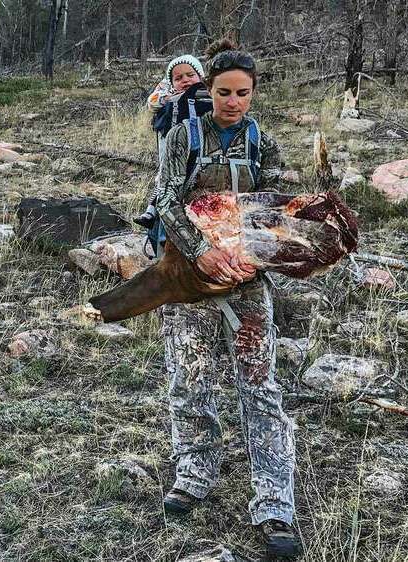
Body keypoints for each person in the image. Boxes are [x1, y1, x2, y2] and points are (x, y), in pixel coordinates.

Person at [155, 39, 301, 558]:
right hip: (190, 278)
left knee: (260, 385)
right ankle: (194, 473)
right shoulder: (181, 136)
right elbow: (165, 201)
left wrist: (253, 256)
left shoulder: (265, 143)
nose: (232, 102)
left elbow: (281, 210)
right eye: (223, 92)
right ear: (208, 90)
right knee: (189, 377)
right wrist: (202, 252)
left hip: (248, 279)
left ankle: (275, 503)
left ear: (254, 93)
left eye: (242, 93)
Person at [135, 55, 206, 230]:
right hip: (172, 143)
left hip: (200, 146)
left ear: (200, 75)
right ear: (171, 81)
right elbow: (151, 102)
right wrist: (168, 96)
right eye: (179, 78)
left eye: (190, 75)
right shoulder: (168, 93)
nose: (185, 80)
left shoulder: (208, 91)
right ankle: (153, 210)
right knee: (164, 176)